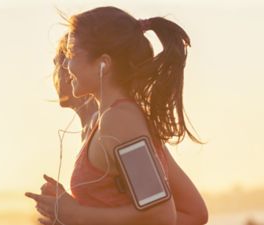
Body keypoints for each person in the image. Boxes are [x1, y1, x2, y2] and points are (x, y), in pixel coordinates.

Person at [26, 6, 208, 225]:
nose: (66, 65)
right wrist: (68, 215)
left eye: (72, 54)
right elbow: (189, 213)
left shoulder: (120, 121)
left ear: (103, 64)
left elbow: (161, 215)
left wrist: (75, 214)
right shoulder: (115, 119)